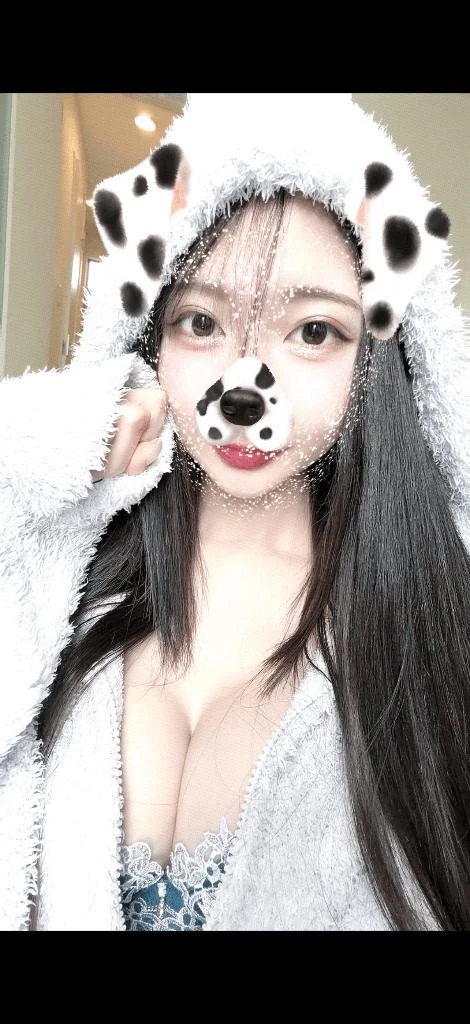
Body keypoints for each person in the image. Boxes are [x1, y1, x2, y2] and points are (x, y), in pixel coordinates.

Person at [1, 92, 469, 932]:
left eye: (314, 332)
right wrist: (63, 435)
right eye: (201, 322)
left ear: (376, 360)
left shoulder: (426, 624)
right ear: (149, 339)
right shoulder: (60, 583)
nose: (245, 385)